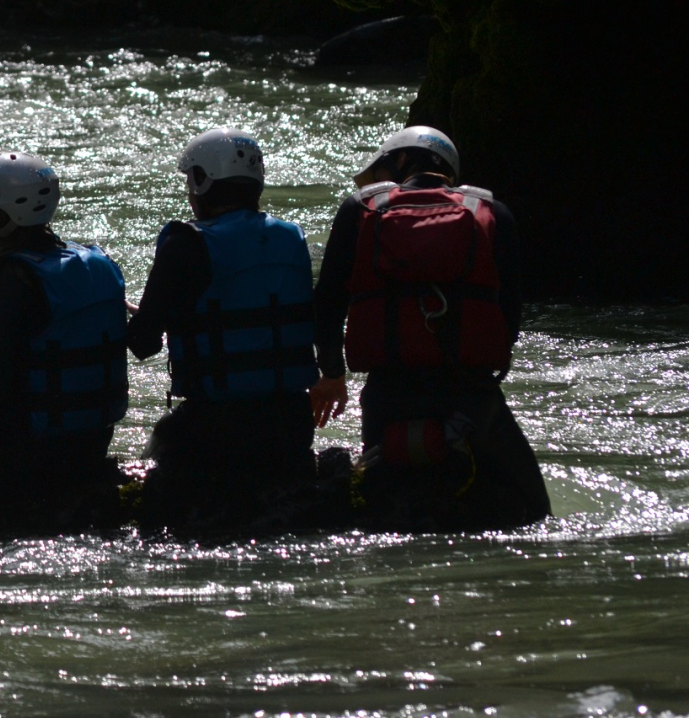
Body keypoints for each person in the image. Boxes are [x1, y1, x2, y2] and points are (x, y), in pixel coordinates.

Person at [313, 126, 550, 528]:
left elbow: (327, 303)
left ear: (401, 162)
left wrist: (332, 374)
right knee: (537, 510)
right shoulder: (492, 212)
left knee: (373, 508)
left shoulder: (360, 209)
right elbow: (509, 314)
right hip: (469, 393)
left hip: (388, 393)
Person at [126, 129, 344, 532]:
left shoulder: (185, 242)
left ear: (201, 183)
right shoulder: (290, 236)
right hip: (290, 424)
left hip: (215, 426)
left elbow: (142, 343)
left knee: (159, 457)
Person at [0, 151, 129, 530]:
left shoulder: (10, 278)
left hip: (27, 456)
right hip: (91, 445)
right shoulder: (94, 263)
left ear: (3, 215)